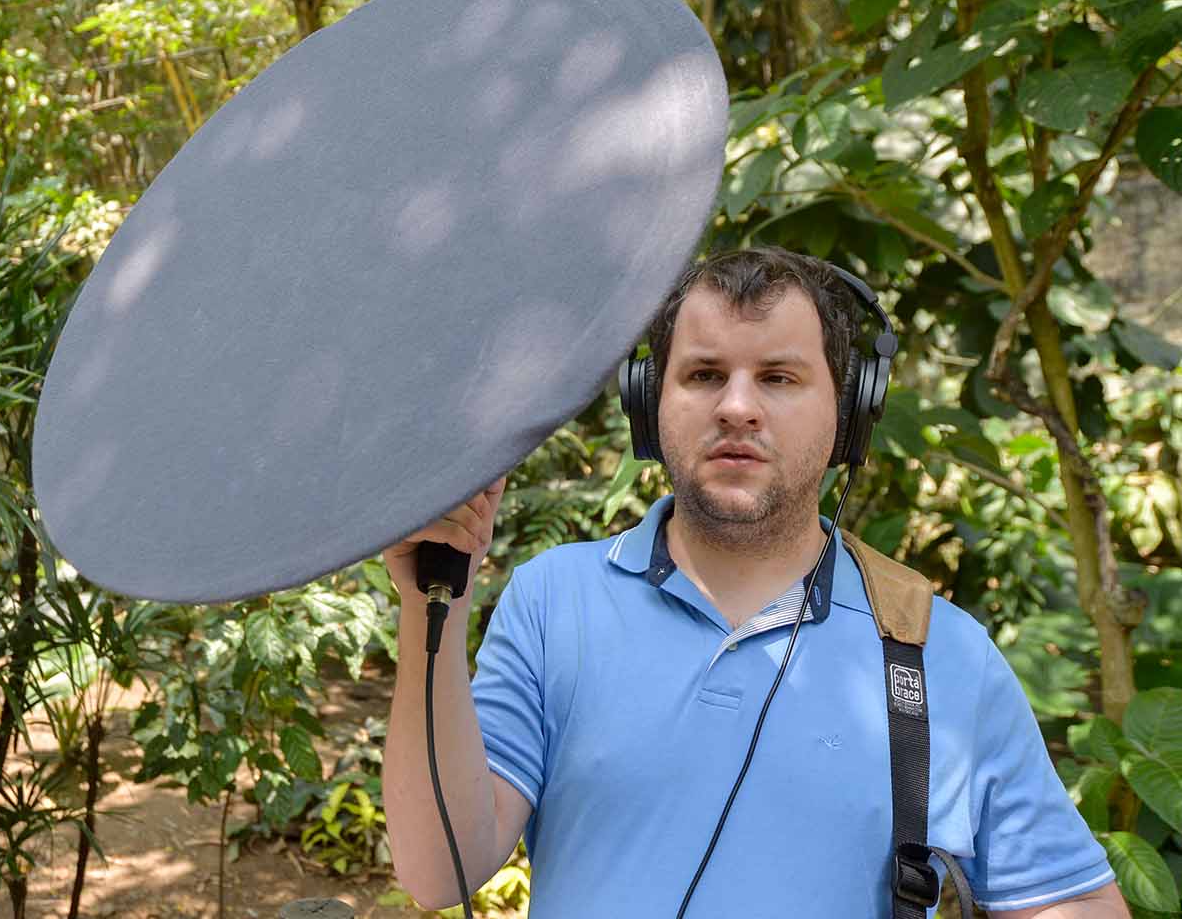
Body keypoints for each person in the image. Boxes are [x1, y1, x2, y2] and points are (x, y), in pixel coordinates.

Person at [380, 247, 1129, 918]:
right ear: (649, 403)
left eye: (779, 377)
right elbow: (439, 871)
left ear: (848, 414)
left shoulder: (935, 652)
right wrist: (429, 606)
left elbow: (1072, 900)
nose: (738, 407)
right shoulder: (554, 600)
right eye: (704, 375)